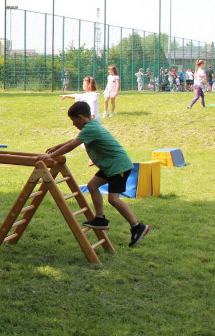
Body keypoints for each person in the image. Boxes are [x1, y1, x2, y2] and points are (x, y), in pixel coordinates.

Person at [40, 100, 150, 247]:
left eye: (73, 121)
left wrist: (50, 157)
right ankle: (100, 219)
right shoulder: (91, 125)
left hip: (118, 167)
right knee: (92, 186)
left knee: (113, 199)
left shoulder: (91, 128)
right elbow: (75, 140)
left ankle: (137, 226)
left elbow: (72, 145)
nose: (73, 125)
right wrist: (57, 146)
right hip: (110, 166)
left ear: (80, 117)